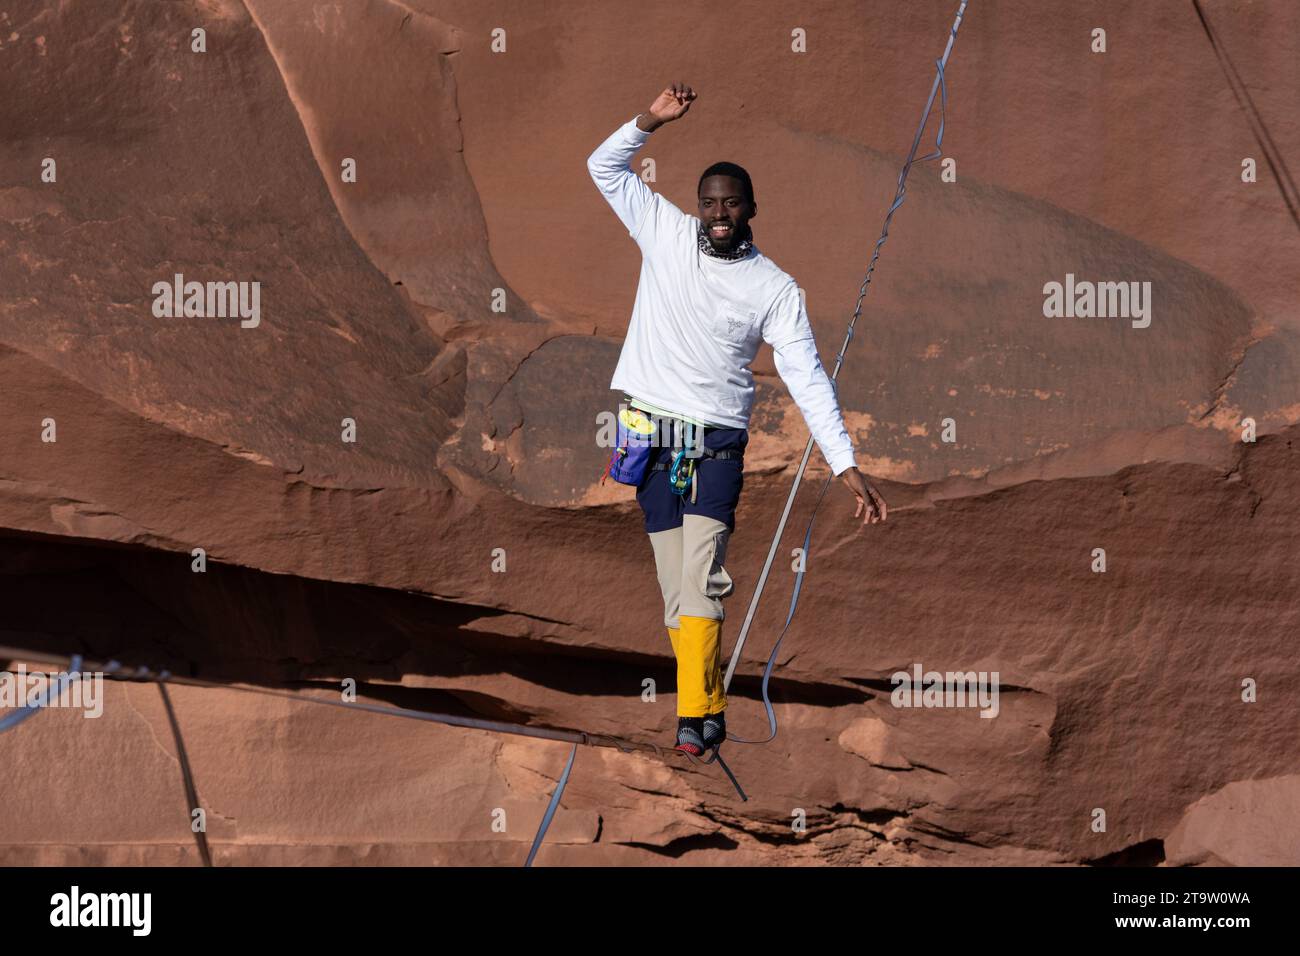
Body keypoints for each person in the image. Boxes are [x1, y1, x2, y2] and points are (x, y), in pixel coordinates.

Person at [587, 82, 888, 756]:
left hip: (716, 445)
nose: (718, 213)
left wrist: (846, 465)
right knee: (675, 592)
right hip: (649, 439)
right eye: (708, 203)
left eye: (731, 203)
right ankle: (709, 706)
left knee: (701, 577)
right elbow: (603, 167)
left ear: (752, 209)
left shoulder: (775, 288)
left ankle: (692, 719)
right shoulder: (665, 232)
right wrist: (649, 121)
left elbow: (807, 376)